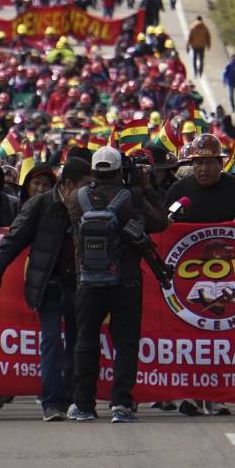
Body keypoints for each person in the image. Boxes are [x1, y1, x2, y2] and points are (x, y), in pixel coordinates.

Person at [0, 158, 94, 421]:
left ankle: (72, 400)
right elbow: (12, 241)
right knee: (51, 342)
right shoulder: (41, 205)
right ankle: (52, 403)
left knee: (78, 344)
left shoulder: (90, 205)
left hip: (81, 285)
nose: (90, 190)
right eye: (85, 185)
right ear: (68, 184)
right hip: (48, 285)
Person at [161, 135, 235, 417]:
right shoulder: (178, 191)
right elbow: (162, 228)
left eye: (209, 163)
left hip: (230, 276)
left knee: (222, 338)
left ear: (221, 163)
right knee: (189, 337)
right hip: (187, 278)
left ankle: (217, 397)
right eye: (198, 163)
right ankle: (190, 395)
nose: (203, 169)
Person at [66, 147, 169, 423]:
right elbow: (160, 222)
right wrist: (146, 188)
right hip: (127, 280)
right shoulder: (131, 197)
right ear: (119, 170)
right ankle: (121, 404)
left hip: (87, 280)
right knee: (126, 344)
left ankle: (83, 404)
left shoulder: (76, 198)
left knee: (85, 342)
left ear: (93, 170)